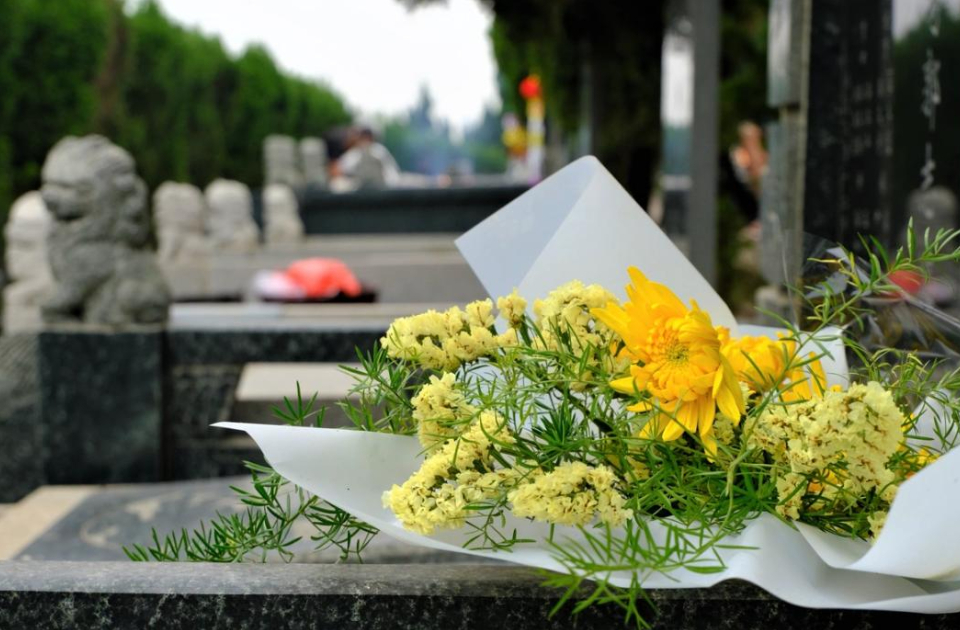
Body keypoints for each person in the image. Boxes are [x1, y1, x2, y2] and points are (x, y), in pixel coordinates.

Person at [334, 126, 400, 189]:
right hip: (361, 189)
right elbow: (339, 170)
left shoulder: (379, 150)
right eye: (364, 136)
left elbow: (392, 172)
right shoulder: (354, 153)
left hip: (382, 188)